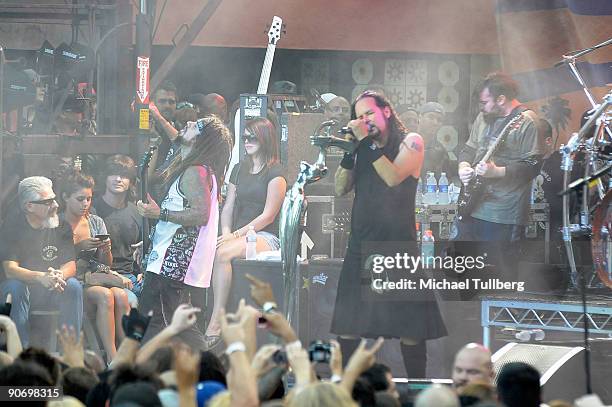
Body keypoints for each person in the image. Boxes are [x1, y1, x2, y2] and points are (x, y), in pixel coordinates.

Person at [332, 90, 447, 377]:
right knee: (348, 326)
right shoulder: (361, 147)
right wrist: (349, 152)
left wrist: (365, 145)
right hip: (360, 244)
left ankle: (417, 388)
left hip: (397, 246)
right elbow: (339, 188)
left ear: (387, 111)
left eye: (369, 113)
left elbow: (393, 177)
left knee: (411, 327)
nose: (364, 120)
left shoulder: (412, 141)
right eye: (359, 116)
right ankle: (350, 392)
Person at [137, 116, 232, 349]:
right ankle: (213, 372)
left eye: (196, 125)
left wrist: (159, 214)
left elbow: (200, 215)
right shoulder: (196, 168)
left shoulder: (196, 172)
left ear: (203, 139)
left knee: (151, 328)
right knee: (178, 328)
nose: (190, 122)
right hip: (169, 262)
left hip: (171, 265)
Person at [204, 117, 287, 349]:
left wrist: (236, 235)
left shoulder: (276, 173)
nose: (247, 141)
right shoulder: (239, 169)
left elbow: (268, 216)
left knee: (222, 254)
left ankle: (216, 321)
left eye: (253, 136)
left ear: (265, 138)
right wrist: (227, 232)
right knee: (215, 250)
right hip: (238, 235)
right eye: (245, 137)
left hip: (266, 237)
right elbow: (228, 206)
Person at [456, 72, 543, 242]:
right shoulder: (483, 118)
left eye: (485, 102)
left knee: (499, 267)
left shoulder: (528, 122)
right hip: (472, 206)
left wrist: (496, 172)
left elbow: (533, 166)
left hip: (504, 213)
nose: (482, 107)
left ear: (501, 99)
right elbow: (469, 148)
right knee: (463, 263)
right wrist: (463, 167)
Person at [57, 170, 131, 361]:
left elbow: (105, 263)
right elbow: (52, 258)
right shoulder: (57, 223)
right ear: (65, 197)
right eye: (80, 199)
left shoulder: (95, 222)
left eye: (89, 199)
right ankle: (113, 357)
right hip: (72, 279)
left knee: (121, 295)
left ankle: (127, 353)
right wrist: (77, 247)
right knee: (105, 295)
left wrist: (105, 249)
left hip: (95, 276)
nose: (85, 204)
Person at [0, 176, 83, 346]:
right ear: (29, 206)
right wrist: (41, 276)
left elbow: (70, 265)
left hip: (52, 288)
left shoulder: (61, 225)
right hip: (23, 291)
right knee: (15, 287)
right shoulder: (13, 227)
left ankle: (69, 353)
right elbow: (10, 269)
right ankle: (20, 354)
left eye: (54, 199)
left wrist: (59, 275)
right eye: (48, 202)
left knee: (73, 286)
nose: (56, 205)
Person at [92, 155, 144, 306]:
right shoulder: (92, 210)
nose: (118, 179)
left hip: (132, 277)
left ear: (131, 182)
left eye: (124, 175)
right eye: (113, 173)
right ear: (105, 178)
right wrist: (111, 275)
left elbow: (142, 248)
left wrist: (142, 271)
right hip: (102, 276)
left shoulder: (137, 212)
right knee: (131, 301)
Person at [418, 101, 454, 181]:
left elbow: (446, 181)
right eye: (431, 117)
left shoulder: (440, 150)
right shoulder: (406, 143)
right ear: (420, 117)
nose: (435, 123)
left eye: (439, 120)